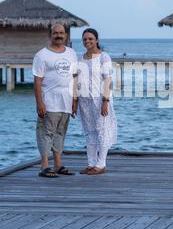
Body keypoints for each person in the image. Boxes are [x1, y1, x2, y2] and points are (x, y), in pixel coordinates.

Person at [32, 23, 78, 178]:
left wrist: (74, 100)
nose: (59, 35)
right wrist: (39, 103)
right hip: (49, 101)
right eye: (55, 33)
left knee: (60, 133)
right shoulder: (42, 55)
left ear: (66, 35)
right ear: (50, 35)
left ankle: (58, 165)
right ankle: (44, 166)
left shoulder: (71, 53)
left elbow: (74, 77)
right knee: (46, 133)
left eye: (61, 33)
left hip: (66, 101)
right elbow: (37, 81)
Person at [73, 28, 117, 175]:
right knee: (89, 132)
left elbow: (108, 80)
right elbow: (77, 81)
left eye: (90, 39)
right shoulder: (81, 59)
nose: (87, 41)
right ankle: (91, 163)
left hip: (100, 99)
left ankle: (101, 164)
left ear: (97, 40)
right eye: (85, 39)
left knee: (102, 130)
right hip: (84, 100)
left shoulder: (104, 57)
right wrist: (75, 100)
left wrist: (106, 100)